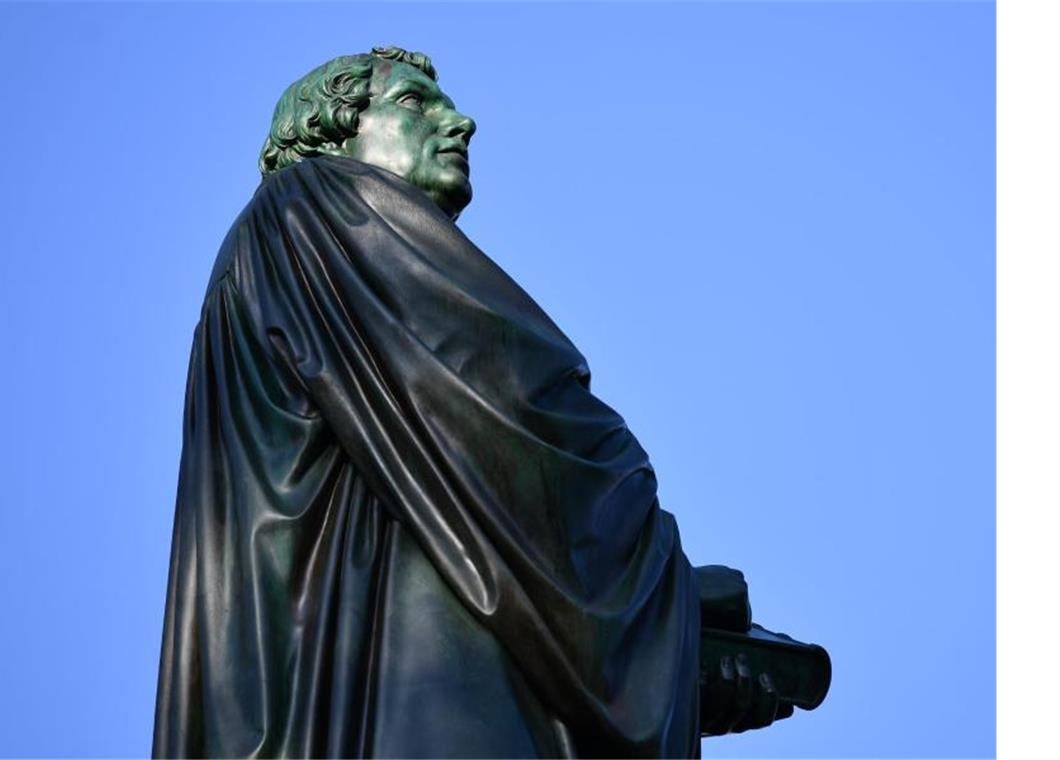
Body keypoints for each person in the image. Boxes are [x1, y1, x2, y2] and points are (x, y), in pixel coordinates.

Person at [154, 46, 785, 759]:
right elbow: (513, 411)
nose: (461, 122)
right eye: (415, 103)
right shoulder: (311, 207)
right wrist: (665, 596)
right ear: (330, 134)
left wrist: (677, 662)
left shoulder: (276, 264)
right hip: (407, 682)